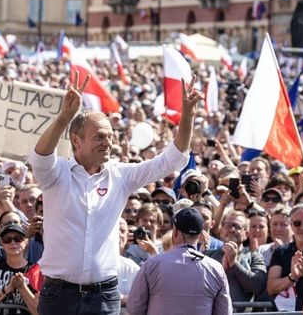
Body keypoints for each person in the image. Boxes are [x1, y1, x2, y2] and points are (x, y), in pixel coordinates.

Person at [29, 72, 202, 315]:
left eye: (110, 137)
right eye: (99, 136)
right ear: (76, 140)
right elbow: (40, 158)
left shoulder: (120, 176)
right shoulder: (56, 174)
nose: (108, 143)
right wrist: (64, 117)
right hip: (59, 296)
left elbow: (171, 161)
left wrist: (188, 115)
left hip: (104, 295)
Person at [127, 207, 232, 315]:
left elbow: (134, 308)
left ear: (175, 231)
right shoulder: (215, 268)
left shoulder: (152, 264)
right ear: (201, 234)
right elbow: (224, 312)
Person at [204, 210, 267, 305]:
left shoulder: (255, 257)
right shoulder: (207, 256)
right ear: (221, 231)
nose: (232, 230)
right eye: (228, 226)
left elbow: (258, 287)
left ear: (246, 234)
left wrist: (234, 264)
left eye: (237, 227)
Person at [267, 204, 303, 311]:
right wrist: (292, 277)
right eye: (297, 223)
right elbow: (271, 288)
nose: (302, 227)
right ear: (291, 225)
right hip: (284, 311)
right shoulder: (281, 251)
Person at [0, 224, 39, 315]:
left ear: (26, 242)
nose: (13, 243)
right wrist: (7, 289)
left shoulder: (35, 271)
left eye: (18, 239)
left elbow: (37, 311)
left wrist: (22, 287)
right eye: (7, 240)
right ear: (2, 244)